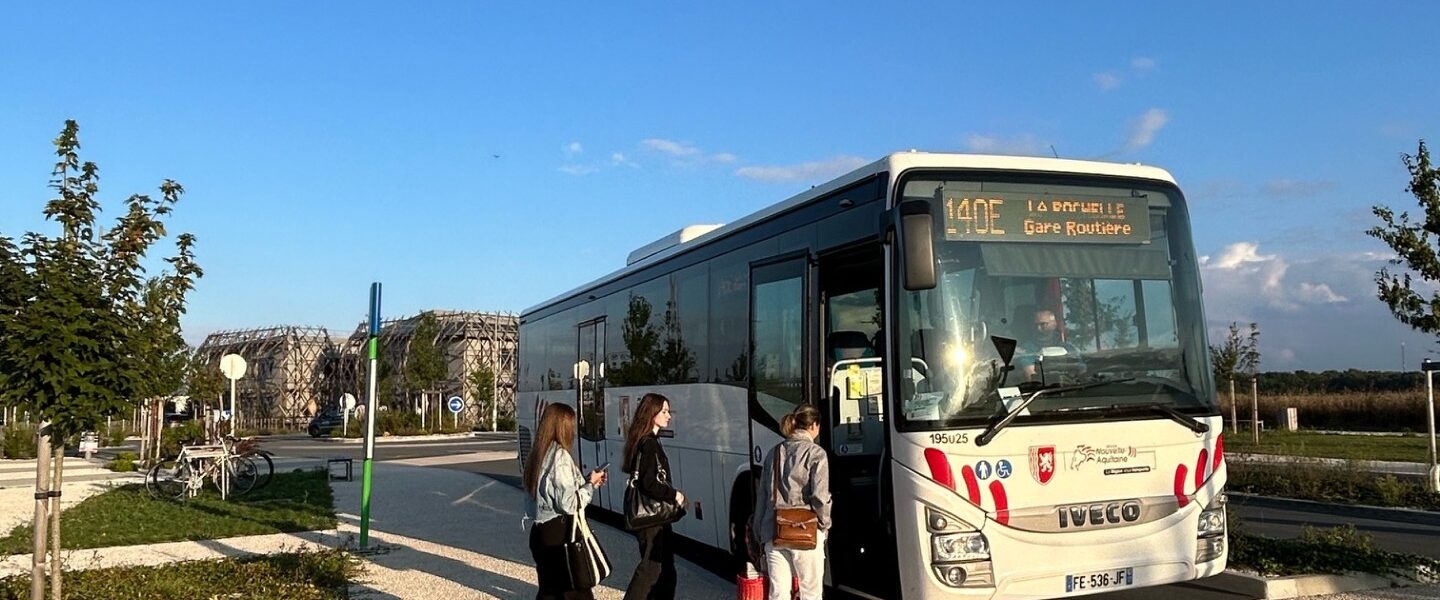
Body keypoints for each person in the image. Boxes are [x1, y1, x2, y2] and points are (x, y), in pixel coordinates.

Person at [523, 403, 607, 600]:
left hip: (540, 531)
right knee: (577, 590)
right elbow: (569, 504)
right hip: (560, 534)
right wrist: (590, 485)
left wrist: (586, 482)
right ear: (563, 427)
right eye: (571, 424)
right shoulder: (559, 456)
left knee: (549, 590)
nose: (574, 430)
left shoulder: (537, 453)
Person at [751, 405, 832, 600]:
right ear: (814, 425)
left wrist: (759, 531)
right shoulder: (816, 454)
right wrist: (824, 524)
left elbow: (762, 495)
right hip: (805, 531)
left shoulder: (774, 453)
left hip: (773, 530)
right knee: (810, 593)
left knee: (778, 593)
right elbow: (819, 497)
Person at [623, 393, 685, 600]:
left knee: (665, 569)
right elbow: (649, 483)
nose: (669, 416)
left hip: (657, 517)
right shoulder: (649, 444)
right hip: (652, 518)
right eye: (664, 411)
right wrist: (674, 494)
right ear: (652, 414)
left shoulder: (645, 441)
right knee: (651, 569)